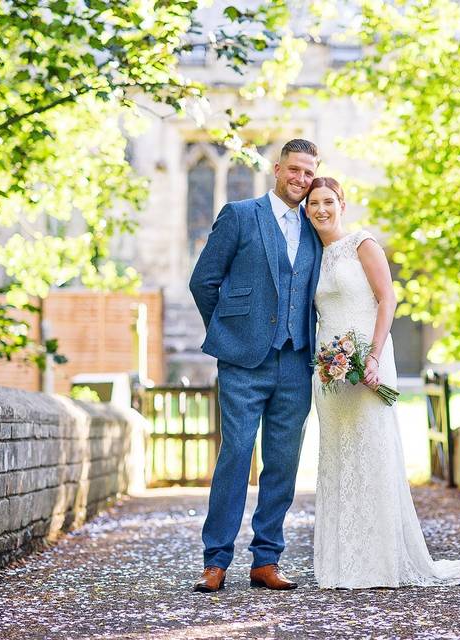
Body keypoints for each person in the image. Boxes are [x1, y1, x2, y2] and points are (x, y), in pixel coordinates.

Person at [306, 177, 460, 589]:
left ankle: (380, 564)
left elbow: (387, 299)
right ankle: (342, 563)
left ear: (342, 203)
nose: (320, 209)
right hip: (332, 374)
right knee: (339, 462)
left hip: (369, 363)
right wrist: (329, 362)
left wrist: (371, 356)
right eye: (313, 203)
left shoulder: (362, 244)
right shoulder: (314, 255)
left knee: (371, 456)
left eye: (328, 201)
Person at [188, 139, 322, 592]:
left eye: (308, 173)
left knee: (283, 463)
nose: (300, 180)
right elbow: (203, 281)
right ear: (277, 167)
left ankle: (267, 559)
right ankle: (216, 560)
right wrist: (230, 332)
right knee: (236, 454)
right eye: (294, 170)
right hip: (244, 362)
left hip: (296, 362)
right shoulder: (241, 215)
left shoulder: (315, 227)